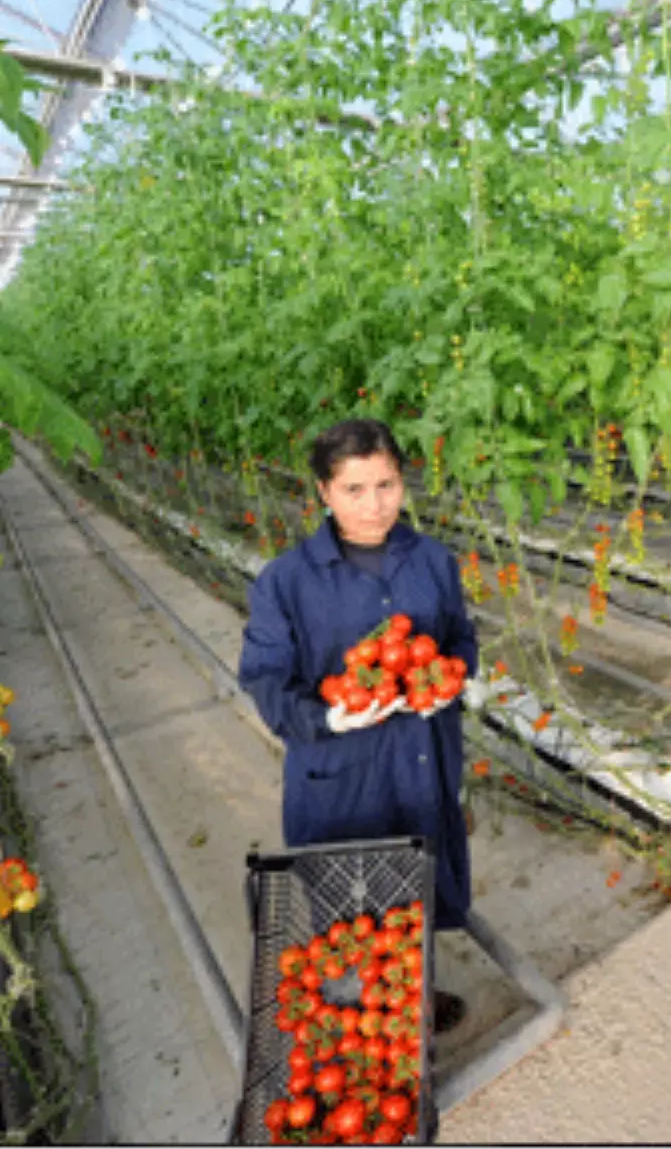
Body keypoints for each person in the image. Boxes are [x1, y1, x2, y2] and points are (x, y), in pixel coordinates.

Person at [238, 418, 478, 1034]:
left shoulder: (432, 561)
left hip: (422, 757)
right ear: (323, 492)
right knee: (353, 910)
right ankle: (365, 1022)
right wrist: (328, 717)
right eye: (354, 490)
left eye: (387, 485)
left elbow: (460, 639)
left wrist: (447, 684)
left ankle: (416, 999)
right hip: (339, 778)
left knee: (418, 886)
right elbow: (264, 678)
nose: (374, 505)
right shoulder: (285, 582)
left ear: (403, 482)